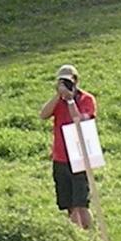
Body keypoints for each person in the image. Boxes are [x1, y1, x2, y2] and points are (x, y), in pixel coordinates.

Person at [38, 64, 96, 229]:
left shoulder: (86, 99)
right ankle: (76, 235)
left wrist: (71, 100)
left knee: (81, 203)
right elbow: (43, 115)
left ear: (76, 81)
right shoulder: (57, 101)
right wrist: (58, 95)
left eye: (68, 81)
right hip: (60, 157)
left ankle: (90, 235)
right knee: (69, 204)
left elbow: (80, 121)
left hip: (79, 155)